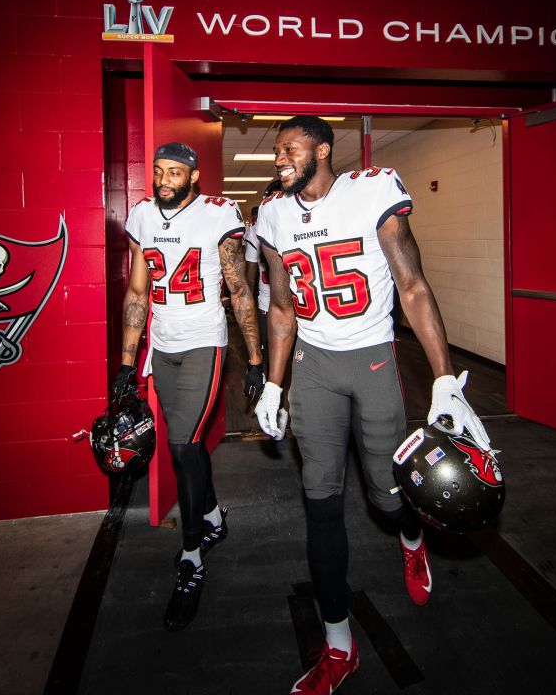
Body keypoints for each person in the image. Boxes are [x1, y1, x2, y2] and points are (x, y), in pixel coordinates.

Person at [251, 116, 493, 692]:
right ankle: (338, 646)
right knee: (321, 502)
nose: (280, 157)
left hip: (373, 361)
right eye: (277, 149)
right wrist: (273, 383)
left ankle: (412, 540)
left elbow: (412, 285)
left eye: (291, 147)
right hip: (314, 367)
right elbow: (281, 310)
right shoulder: (274, 215)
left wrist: (443, 380)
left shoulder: (372, 191)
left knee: (388, 501)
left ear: (323, 149)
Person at [113, 142, 266, 631]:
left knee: (181, 444)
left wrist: (256, 360)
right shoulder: (141, 216)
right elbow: (138, 291)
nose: (163, 179)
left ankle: (193, 554)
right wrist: (125, 361)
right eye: (158, 171)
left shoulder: (217, 214)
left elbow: (238, 287)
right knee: (188, 444)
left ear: (194, 177)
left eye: (174, 172)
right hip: (162, 345)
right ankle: (215, 512)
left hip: (203, 341)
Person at [243, 179, 283, 372]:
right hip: (267, 306)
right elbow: (250, 277)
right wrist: (248, 310)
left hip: (301, 309)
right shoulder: (255, 232)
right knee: (270, 359)